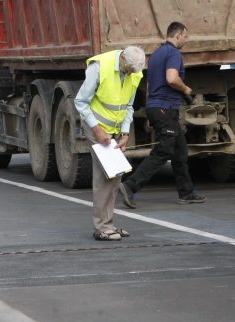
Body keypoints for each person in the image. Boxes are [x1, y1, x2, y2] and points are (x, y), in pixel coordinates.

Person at [119, 21, 205, 208]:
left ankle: (186, 192)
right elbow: (172, 78)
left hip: (157, 107)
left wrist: (151, 113)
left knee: (180, 150)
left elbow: (150, 85)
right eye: (185, 36)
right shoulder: (173, 53)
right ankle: (130, 186)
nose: (186, 40)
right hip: (165, 108)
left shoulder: (156, 54)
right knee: (164, 150)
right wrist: (187, 89)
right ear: (178, 35)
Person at [74, 45, 146, 241]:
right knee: (104, 175)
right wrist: (97, 130)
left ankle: (108, 224)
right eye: (129, 69)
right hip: (95, 125)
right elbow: (80, 102)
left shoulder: (134, 73)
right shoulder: (100, 66)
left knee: (115, 175)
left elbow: (128, 106)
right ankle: (102, 227)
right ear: (122, 59)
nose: (131, 74)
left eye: (134, 71)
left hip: (114, 128)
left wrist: (125, 132)